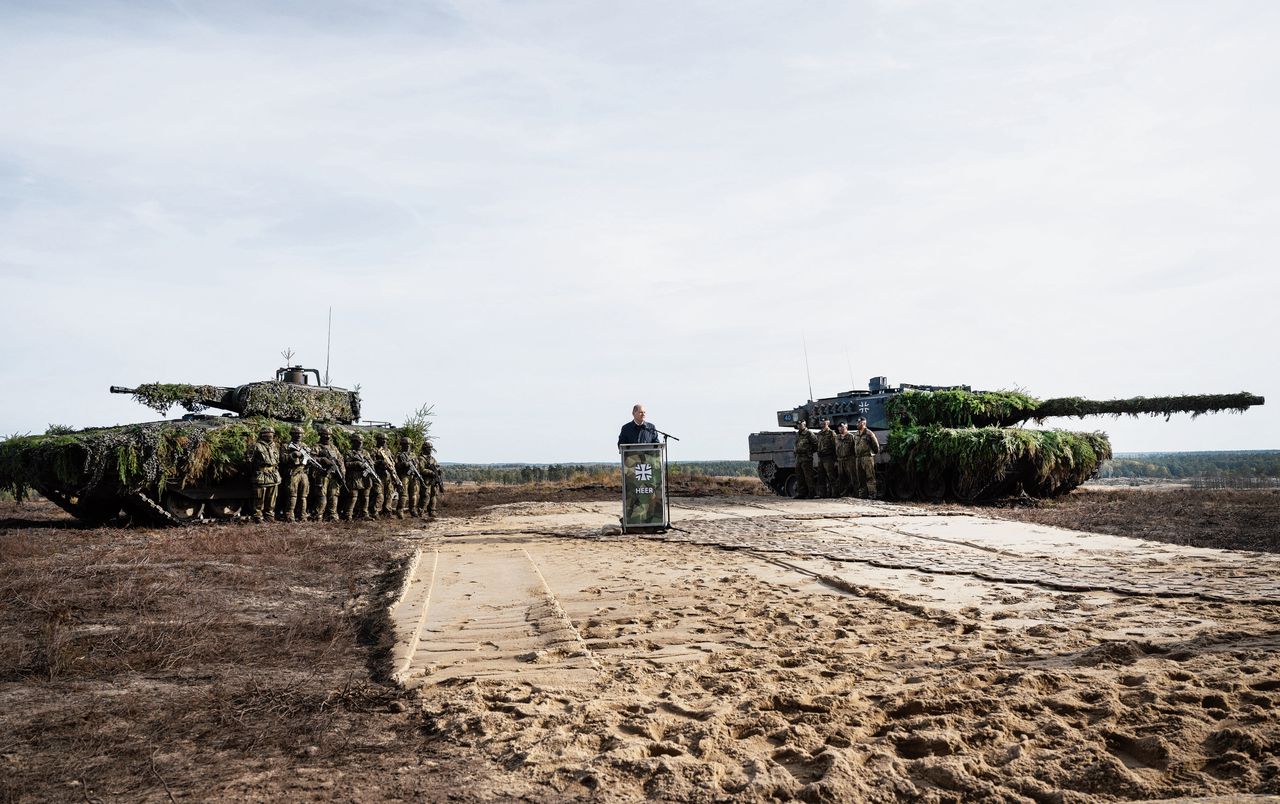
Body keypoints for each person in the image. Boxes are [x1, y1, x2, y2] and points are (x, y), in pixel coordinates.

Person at [309, 427, 345, 522]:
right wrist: (322, 459)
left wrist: (342, 473)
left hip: (334, 475)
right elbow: (311, 459)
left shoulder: (334, 448)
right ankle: (318, 515)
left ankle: (332, 515)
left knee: (334, 495)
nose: (327, 438)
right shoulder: (317, 447)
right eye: (325, 436)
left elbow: (340, 461)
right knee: (321, 495)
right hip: (322, 474)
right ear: (320, 436)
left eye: (329, 436)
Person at [249, 426, 281, 523]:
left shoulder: (274, 445)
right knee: (259, 498)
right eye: (267, 434)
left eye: (271, 434)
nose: (270, 436)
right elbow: (249, 462)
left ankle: (269, 516)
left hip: (273, 475)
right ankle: (258, 517)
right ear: (262, 435)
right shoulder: (255, 446)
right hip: (261, 475)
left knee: (272, 498)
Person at [343, 433, 378, 521]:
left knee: (366, 496)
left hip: (365, 477)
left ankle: (364, 514)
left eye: (361, 442)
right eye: (358, 442)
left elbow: (371, 462)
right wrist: (357, 463)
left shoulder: (365, 452)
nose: (360, 444)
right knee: (353, 497)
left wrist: (370, 466)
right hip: (354, 477)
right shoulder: (349, 452)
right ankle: (348, 515)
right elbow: (346, 464)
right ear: (353, 442)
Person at [279, 425, 310, 522]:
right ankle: (289, 515)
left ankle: (302, 515)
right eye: (296, 434)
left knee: (303, 496)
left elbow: (309, 460)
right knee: (292, 495)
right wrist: (292, 455)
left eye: (300, 434)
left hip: (303, 472)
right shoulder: (285, 446)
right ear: (292, 434)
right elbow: (282, 459)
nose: (299, 436)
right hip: (293, 472)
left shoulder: (304, 446)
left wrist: (308, 456)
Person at [371, 432, 402, 519]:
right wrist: (380, 462)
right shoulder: (374, 450)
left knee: (389, 494)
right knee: (379, 494)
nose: (384, 442)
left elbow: (393, 463)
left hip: (389, 475)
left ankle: (387, 511)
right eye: (382, 440)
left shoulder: (388, 451)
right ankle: (376, 511)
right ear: (378, 441)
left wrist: (394, 476)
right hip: (378, 475)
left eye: (385, 440)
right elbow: (371, 463)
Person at [852, 417, 880, 498]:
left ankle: (872, 494)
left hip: (867, 457)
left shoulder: (869, 433)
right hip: (858, 458)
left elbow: (876, 447)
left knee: (870, 476)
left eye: (859, 423)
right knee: (860, 478)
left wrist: (871, 454)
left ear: (863, 423)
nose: (857, 424)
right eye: (857, 422)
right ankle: (862, 495)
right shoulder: (856, 434)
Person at [395, 436, 422, 519]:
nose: (407, 446)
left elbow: (418, 465)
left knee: (414, 494)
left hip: (413, 476)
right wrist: (403, 464)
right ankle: (400, 510)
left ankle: (413, 510)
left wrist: (416, 468)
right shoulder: (399, 455)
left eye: (408, 444)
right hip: (404, 476)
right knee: (403, 494)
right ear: (402, 445)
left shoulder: (413, 455)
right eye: (405, 444)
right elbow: (395, 465)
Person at [793, 420, 819, 499]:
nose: (799, 426)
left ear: (805, 424)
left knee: (808, 476)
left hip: (806, 457)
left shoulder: (809, 433)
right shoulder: (798, 434)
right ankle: (801, 493)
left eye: (801, 424)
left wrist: (809, 451)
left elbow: (816, 444)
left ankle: (811, 493)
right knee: (799, 476)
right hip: (798, 457)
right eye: (798, 424)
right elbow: (796, 444)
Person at [418, 441, 442, 518]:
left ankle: (432, 511)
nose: (430, 450)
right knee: (425, 496)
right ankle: (421, 511)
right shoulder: (421, 458)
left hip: (434, 480)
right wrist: (430, 472)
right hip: (426, 480)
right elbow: (421, 469)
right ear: (424, 449)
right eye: (428, 448)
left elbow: (436, 467)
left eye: (431, 449)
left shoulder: (433, 459)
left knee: (433, 495)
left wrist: (438, 471)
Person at [816, 419, 838, 498]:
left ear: (828, 423)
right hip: (821, 457)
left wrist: (835, 459)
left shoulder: (831, 433)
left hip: (828, 457)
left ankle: (835, 494)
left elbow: (835, 446)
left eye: (824, 422)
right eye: (821, 422)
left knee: (831, 476)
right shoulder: (819, 434)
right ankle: (823, 494)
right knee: (821, 476)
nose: (822, 423)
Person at [834, 422, 856, 497]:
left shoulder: (851, 437)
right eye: (839, 427)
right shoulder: (837, 437)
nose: (840, 428)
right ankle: (843, 493)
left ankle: (853, 493)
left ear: (846, 427)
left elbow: (854, 449)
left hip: (849, 459)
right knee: (841, 477)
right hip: (840, 460)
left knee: (852, 477)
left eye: (842, 427)